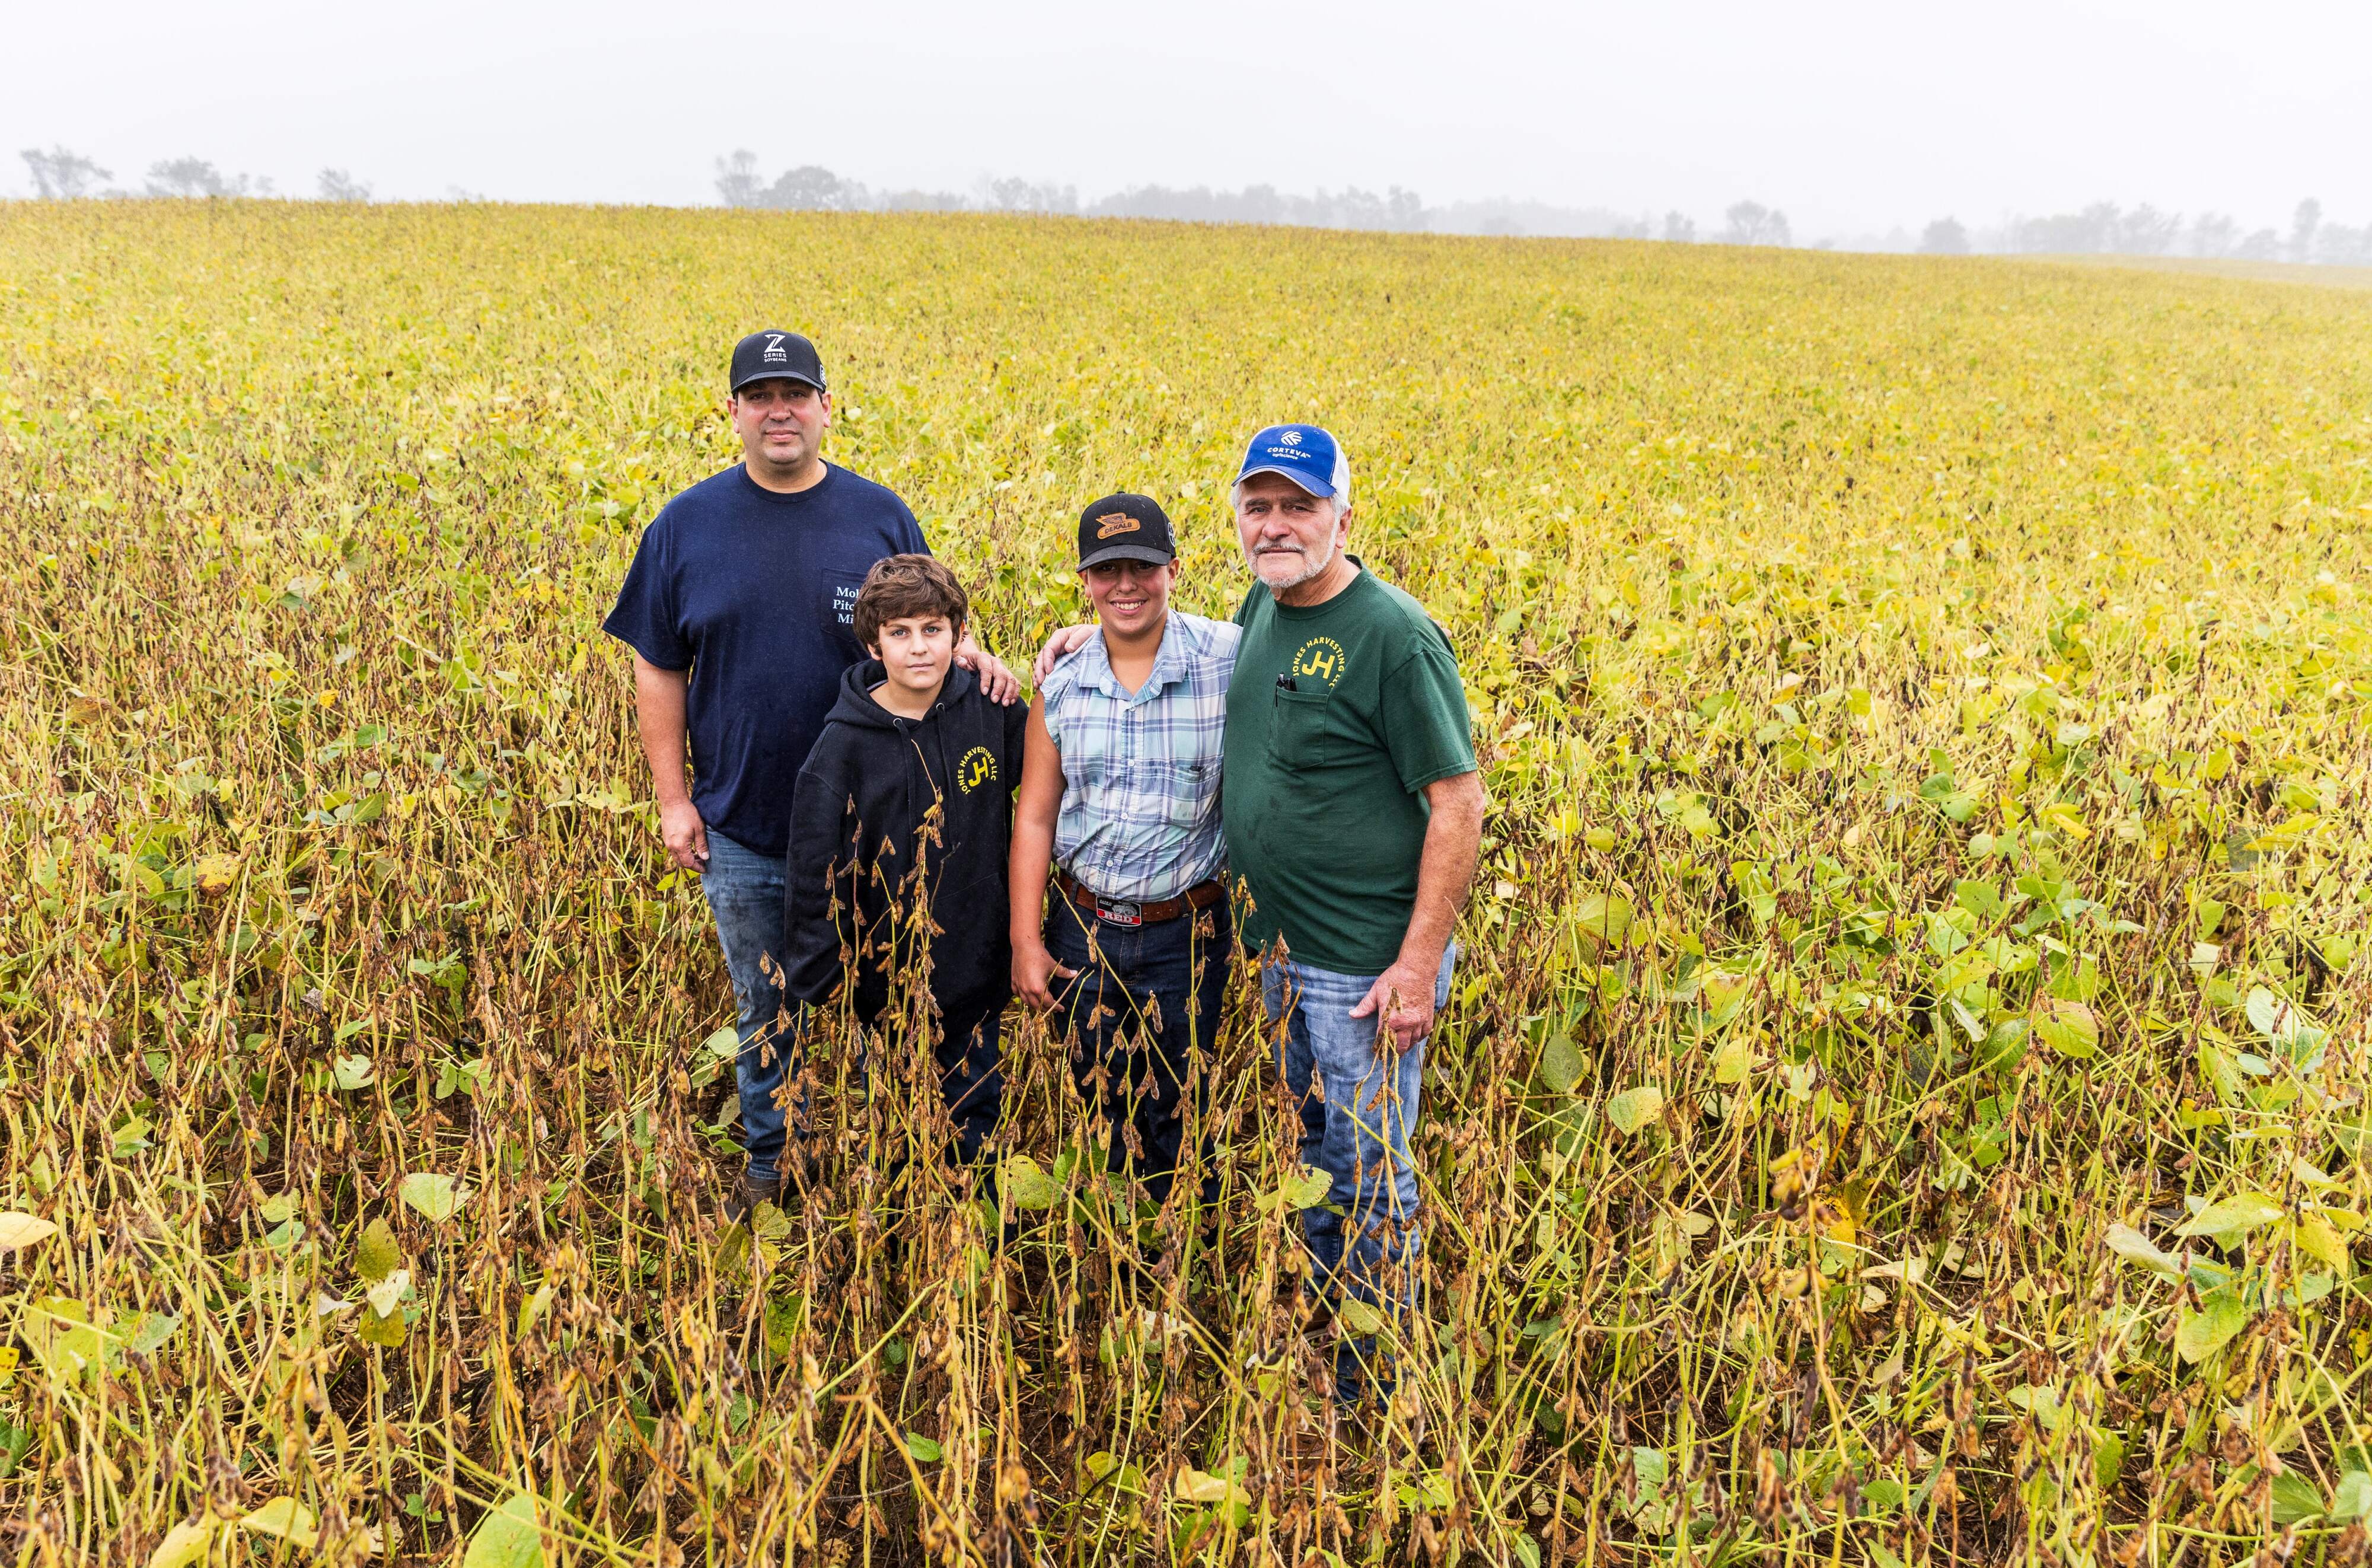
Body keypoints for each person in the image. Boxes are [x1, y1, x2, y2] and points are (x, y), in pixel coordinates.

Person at [1033, 424, 1485, 1401]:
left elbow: (1459, 801)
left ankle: (1374, 1387)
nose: (1277, 525)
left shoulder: (1394, 635)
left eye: (1300, 506)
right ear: (1238, 521)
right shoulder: (1263, 607)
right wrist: (1087, 635)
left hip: (1366, 961)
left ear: (1343, 520)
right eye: (1259, 507)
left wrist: (1416, 966)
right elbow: (1168, 634)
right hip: (1280, 949)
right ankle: (1331, 1328)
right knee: (1316, 1149)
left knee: (1368, 1170)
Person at [603, 330, 1015, 1220]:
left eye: (795, 394)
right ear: (733, 412)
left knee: (887, 1001)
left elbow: (929, 629)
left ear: (827, 407)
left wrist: (982, 661)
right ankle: (774, 1160)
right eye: (760, 396)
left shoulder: (877, 516)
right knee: (767, 1004)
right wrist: (673, 799)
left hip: (883, 833)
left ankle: (889, 1157)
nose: (779, 411)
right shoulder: (683, 527)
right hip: (746, 827)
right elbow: (657, 668)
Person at [1009, 494, 1236, 1212]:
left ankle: (1182, 1234)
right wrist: (1025, 941)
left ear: (1175, 569)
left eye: (1143, 567)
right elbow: (1035, 817)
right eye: (1107, 571)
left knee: (1180, 1097)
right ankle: (1114, 1231)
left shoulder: (1227, 658)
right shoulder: (1060, 685)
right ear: (1085, 580)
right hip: (1082, 928)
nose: (1126, 585)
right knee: (1097, 1092)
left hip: (1187, 929)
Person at [781, 555, 1026, 1167]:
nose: (919, 647)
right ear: (874, 644)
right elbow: (813, 869)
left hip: (975, 966)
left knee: (975, 1112)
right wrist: (823, 977)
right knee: (895, 1118)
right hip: (885, 981)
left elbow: (1046, 791)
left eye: (933, 629)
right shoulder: (841, 747)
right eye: (900, 632)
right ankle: (902, 1210)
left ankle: (973, 1211)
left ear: (958, 635)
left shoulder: (991, 712)